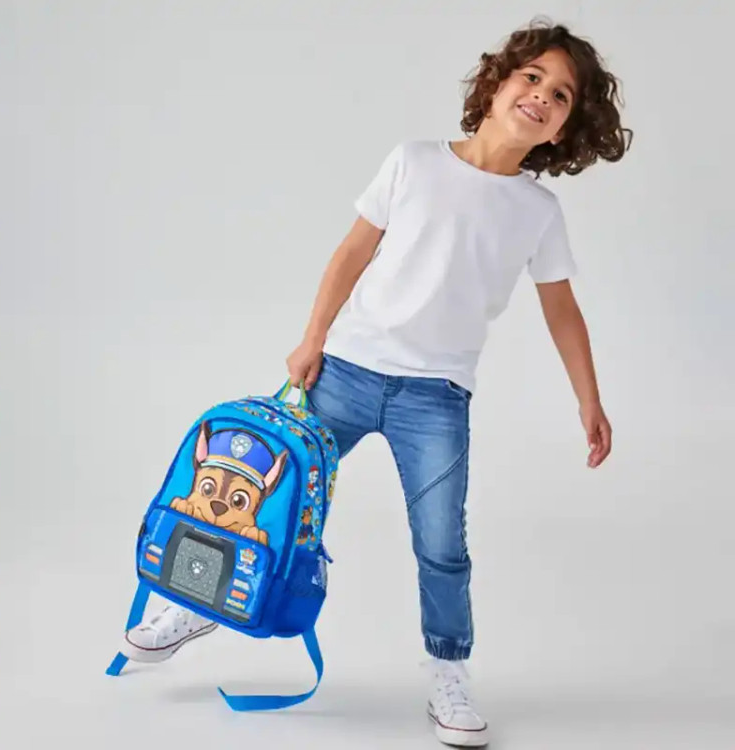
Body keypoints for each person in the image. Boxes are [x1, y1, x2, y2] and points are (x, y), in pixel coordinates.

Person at [119, 18, 632, 748]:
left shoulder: (536, 211)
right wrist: (312, 338)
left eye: (561, 96)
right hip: (346, 371)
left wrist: (590, 399)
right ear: (496, 83)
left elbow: (562, 310)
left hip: (436, 399)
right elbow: (352, 252)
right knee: (259, 492)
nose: (542, 97)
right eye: (532, 78)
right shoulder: (414, 162)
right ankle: (197, 600)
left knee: (442, 544)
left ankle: (448, 671)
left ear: (563, 129)